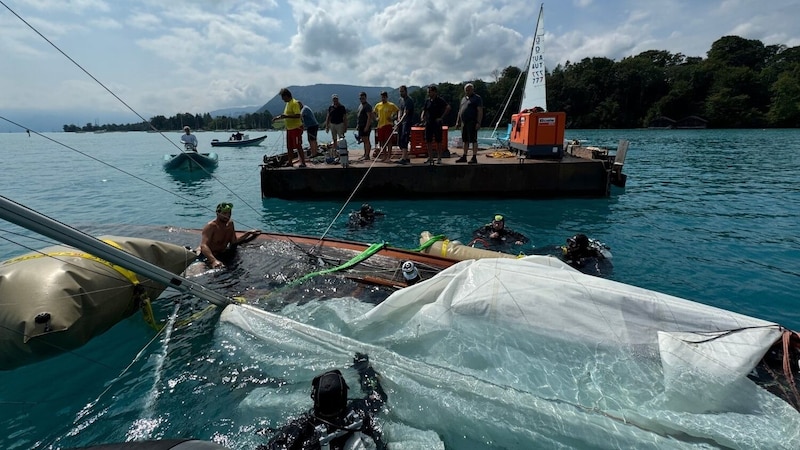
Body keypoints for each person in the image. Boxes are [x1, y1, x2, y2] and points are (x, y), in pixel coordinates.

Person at [261, 353, 388, 450]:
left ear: (314, 398)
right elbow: (378, 396)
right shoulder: (360, 410)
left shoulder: (301, 429)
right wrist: (364, 370)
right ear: (344, 396)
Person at [197, 202, 261, 269]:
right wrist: (213, 261)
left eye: (229, 213)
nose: (227, 216)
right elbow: (204, 246)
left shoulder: (230, 224)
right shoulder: (211, 226)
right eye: (224, 213)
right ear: (218, 213)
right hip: (210, 256)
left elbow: (234, 241)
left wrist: (248, 233)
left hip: (223, 254)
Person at [272, 88, 306, 168]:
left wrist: (286, 116)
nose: (283, 100)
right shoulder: (287, 104)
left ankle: (303, 163)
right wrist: (277, 118)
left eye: (283, 98)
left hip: (296, 128)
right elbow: (285, 115)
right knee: (289, 147)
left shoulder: (294, 103)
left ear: (287, 96)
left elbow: (298, 115)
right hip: (289, 129)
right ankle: (290, 162)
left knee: (298, 146)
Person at [419, 84, 450, 164]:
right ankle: (430, 157)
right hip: (428, 122)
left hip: (437, 123)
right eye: (428, 92)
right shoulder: (427, 101)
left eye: (430, 92)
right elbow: (424, 110)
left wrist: (441, 117)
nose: (428, 93)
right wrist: (422, 116)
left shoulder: (439, 100)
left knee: (438, 141)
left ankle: (439, 158)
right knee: (428, 140)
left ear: (435, 92)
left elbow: (448, 107)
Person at [455, 83, 483, 164]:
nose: (467, 91)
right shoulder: (463, 99)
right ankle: (464, 156)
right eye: (466, 90)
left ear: (472, 90)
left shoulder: (477, 98)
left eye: (469, 90)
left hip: (472, 121)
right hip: (464, 123)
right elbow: (460, 111)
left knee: (473, 140)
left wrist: (478, 122)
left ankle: (474, 157)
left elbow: (480, 111)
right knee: (465, 140)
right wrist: (458, 121)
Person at [373, 91, 399, 162]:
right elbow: (374, 112)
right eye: (382, 97)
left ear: (387, 97)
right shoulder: (378, 105)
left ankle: (389, 157)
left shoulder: (391, 105)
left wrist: (393, 118)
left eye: (384, 97)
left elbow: (398, 111)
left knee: (388, 141)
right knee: (382, 141)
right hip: (380, 125)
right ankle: (384, 156)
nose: (383, 98)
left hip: (388, 125)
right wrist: (376, 118)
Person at [395, 85, 415, 165]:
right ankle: (405, 157)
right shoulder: (400, 100)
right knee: (400, 139)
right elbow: (400, 110)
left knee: (404, 138)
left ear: (406, 91)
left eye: (402, 91)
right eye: (400, 91)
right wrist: (398, 118)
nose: (401, 93)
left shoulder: (409, 100)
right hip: (401, 122)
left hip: (407, 122)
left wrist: (400, 122)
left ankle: (404, 158)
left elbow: (406, 113)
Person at [355, 92, 374, 161]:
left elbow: (369, 117)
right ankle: (365, 154)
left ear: (365, 98)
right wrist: (357, 125)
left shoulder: (367, 106)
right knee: (363, 140)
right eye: (360, 98)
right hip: (360, 126)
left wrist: (367, 126)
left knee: (366, 140)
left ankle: (367, 155)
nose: (361, 99)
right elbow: (359, 116)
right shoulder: (360, 106)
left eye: (363, 98)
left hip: (365, 126)